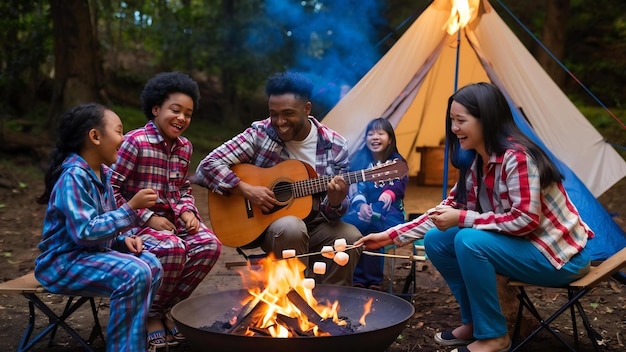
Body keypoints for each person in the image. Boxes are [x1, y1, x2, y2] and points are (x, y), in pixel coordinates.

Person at [354, 82, 594, 352]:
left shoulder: (517, 158)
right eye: (452, 120)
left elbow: (525, 220)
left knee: (469, 240)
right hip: (526, 247)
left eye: (461, 121)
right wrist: (389, 236)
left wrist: (463, 218)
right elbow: (443, 211)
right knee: (436, 239)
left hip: (558, 256)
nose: (454, 128)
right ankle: (476, 323)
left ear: (486, 120)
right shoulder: (477, 161)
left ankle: (494, 336)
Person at [193, 71, 362, 286]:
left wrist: (336, 201)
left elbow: (332, 213)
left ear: (307, 109)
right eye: (274, 114)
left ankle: (330, 305)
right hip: (273, 226)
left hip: (318, 222)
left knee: (350, 238)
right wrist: (244, 189)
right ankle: (294, 301)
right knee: (292, 227)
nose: (280, 122)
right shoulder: (260, 134)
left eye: (288, 114)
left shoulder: (335, 144)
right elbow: (207, 166)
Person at [34, 103, 163, 352]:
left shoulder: (103, 174)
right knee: (134, 272)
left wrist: (122, 240)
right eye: (118, 131)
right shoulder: (73, 176)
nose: (123, 138)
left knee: (151, 264)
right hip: (61, 263)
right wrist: (131, 208)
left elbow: (103, 226)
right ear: (95, 136)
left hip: (88, 256)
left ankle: (130, 343)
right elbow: (85, 232)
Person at [110, 71, 222, 348]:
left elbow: (182, 189)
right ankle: (150, 316)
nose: (182, 118)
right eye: (175, 110)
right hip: (133, 227)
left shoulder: (185, 148)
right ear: (156, 108)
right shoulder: (134, 143)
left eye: (188, 113)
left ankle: (171, 310)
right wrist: (149, 217)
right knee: (174, 248)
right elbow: (110, 190)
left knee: (210, 244)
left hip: (172, 224)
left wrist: (187, 212)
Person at [342, 118, 407, 290]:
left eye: (380, 133)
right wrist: (361, 205)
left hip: (388, 213)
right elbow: (355, 186)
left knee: (374, 228)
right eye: (370, 134)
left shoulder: (397, 162)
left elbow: (400, 183)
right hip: (361, 210)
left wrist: (389, 193)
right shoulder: (359, 160)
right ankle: (356, 278)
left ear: (390, 139)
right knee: (351, 228)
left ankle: (372, 280)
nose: (375, 137)